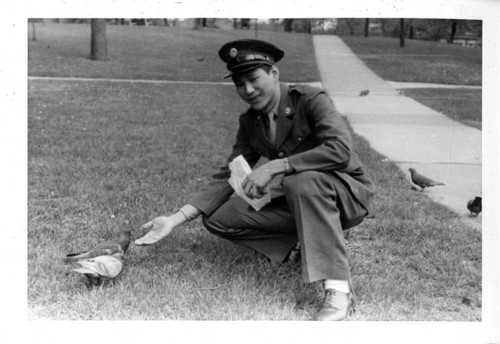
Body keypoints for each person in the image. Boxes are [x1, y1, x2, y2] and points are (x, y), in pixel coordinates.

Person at [135, 39, 376, 321]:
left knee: (301, 181)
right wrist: (175, 219)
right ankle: (305, 243)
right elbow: (229, 173)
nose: (247, 90)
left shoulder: (310, 100)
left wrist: (278, 165)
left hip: (346, 194)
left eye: (253, 79)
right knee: (219, 218)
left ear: (273, 74)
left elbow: (341, 149)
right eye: (239, 84)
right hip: (302, 195)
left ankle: (339, 289)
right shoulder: (251, 121)